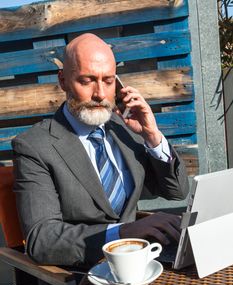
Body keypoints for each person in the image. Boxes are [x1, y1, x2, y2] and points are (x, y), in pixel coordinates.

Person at [12, 33, 189, 270]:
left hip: (143, 262)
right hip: (79, 276)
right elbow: (42, 240)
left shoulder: (123, 128)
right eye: (87, 81)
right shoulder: (35, 146)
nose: (100, 94)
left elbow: (177, 191)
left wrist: (152, 135)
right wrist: (123, 232)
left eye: (107, 80)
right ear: (63, 80)